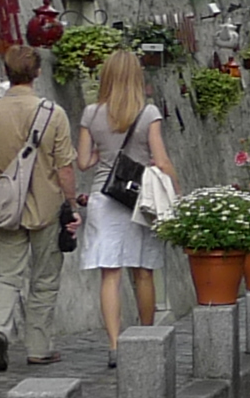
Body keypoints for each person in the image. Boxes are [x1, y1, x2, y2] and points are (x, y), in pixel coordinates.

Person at [0, 44, 75, 370]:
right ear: (37, 72)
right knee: (43, 280)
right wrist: (72, 203)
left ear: (7, 73)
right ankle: (38, 348)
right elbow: (64, 168)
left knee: (6, 277)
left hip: (6, 212)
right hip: (46, 208)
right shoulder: (52, 114)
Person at [74, 48, 176, 345]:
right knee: (143, 271)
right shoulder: (148, 113)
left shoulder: (90, 114)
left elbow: (82, 162)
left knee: (110, 274)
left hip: (104, 198)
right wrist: (176, 190)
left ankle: (115, 344)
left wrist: (101, 151)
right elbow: (160, 159)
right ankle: (145, 340)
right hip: (140, 199)